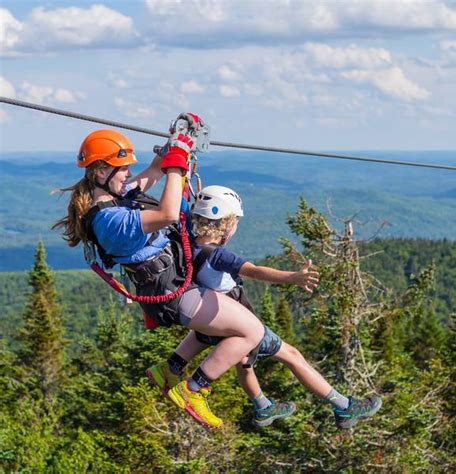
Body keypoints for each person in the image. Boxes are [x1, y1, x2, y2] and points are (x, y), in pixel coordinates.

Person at [53, 117, 269, 429]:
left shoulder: (117, 195)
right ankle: (194, 390)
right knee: (251, 331)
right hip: (173, 293)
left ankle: (171, 369)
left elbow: (154, 172)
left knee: (227, 325)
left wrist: (175, 144)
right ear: (101, 171)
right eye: (122, 167)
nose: (128, 173)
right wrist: (177, 162)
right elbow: (168, 212)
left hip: (175, 281)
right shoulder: (111, 221)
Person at [147, 185, 382, 429]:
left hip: (215, 320)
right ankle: (344, 406)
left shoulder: (188, 243)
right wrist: (292, 277)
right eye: (235, 221)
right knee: (292, 356)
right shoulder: (219, 256)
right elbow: (255, 271)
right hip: (233, 318)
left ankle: (259, 405)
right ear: (226, 224)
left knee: (243, 361)